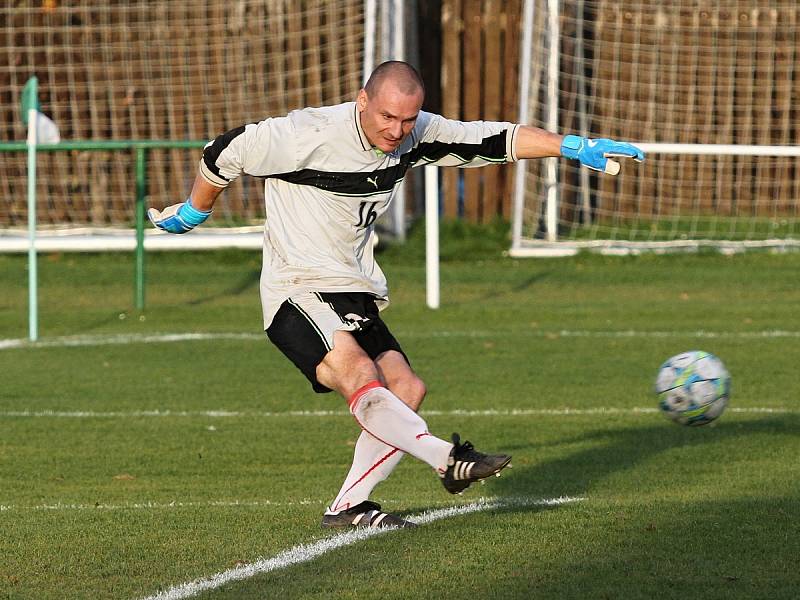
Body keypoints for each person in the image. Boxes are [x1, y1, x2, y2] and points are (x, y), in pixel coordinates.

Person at [148, 61, 644, 529]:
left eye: (407, 119)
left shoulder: (414, 133)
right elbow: (221, 152)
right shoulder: (306, 134)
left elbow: (496, 138)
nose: (396, 130)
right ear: (361, 100)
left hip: (354, 288)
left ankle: (349, 506)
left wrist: (573, 145)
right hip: (296, 286)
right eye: (387, 116)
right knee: (361, 375)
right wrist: (195, 210)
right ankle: (449, 461)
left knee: (406, 390)